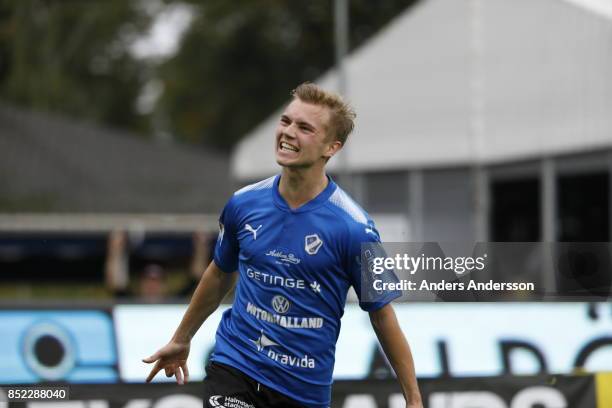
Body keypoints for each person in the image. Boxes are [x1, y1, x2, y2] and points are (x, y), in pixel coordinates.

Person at [143, 83, 423, 408]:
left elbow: (383, 316)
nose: (288, 133)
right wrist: (181, 338)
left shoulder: (354, 229)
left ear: (331, 148)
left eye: (304, 127)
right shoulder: (243, 204)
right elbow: (220, 273)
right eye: (286, 121)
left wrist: (413, 400)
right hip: (236, 365)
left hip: (302, 390)